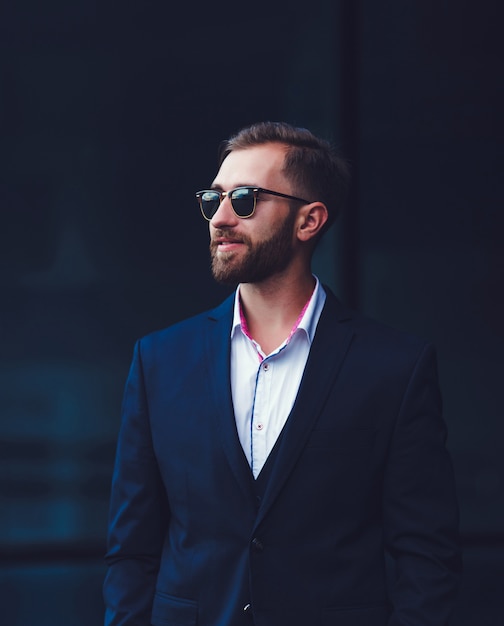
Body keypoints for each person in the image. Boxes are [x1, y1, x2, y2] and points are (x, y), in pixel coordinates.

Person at [103, 121, 461, 626]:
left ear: (309, 220)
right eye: (213, 199)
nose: (221, 218)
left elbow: (426, 557)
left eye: (245, 199)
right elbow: (131, 551)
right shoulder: (160, 360)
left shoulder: (395, 368)